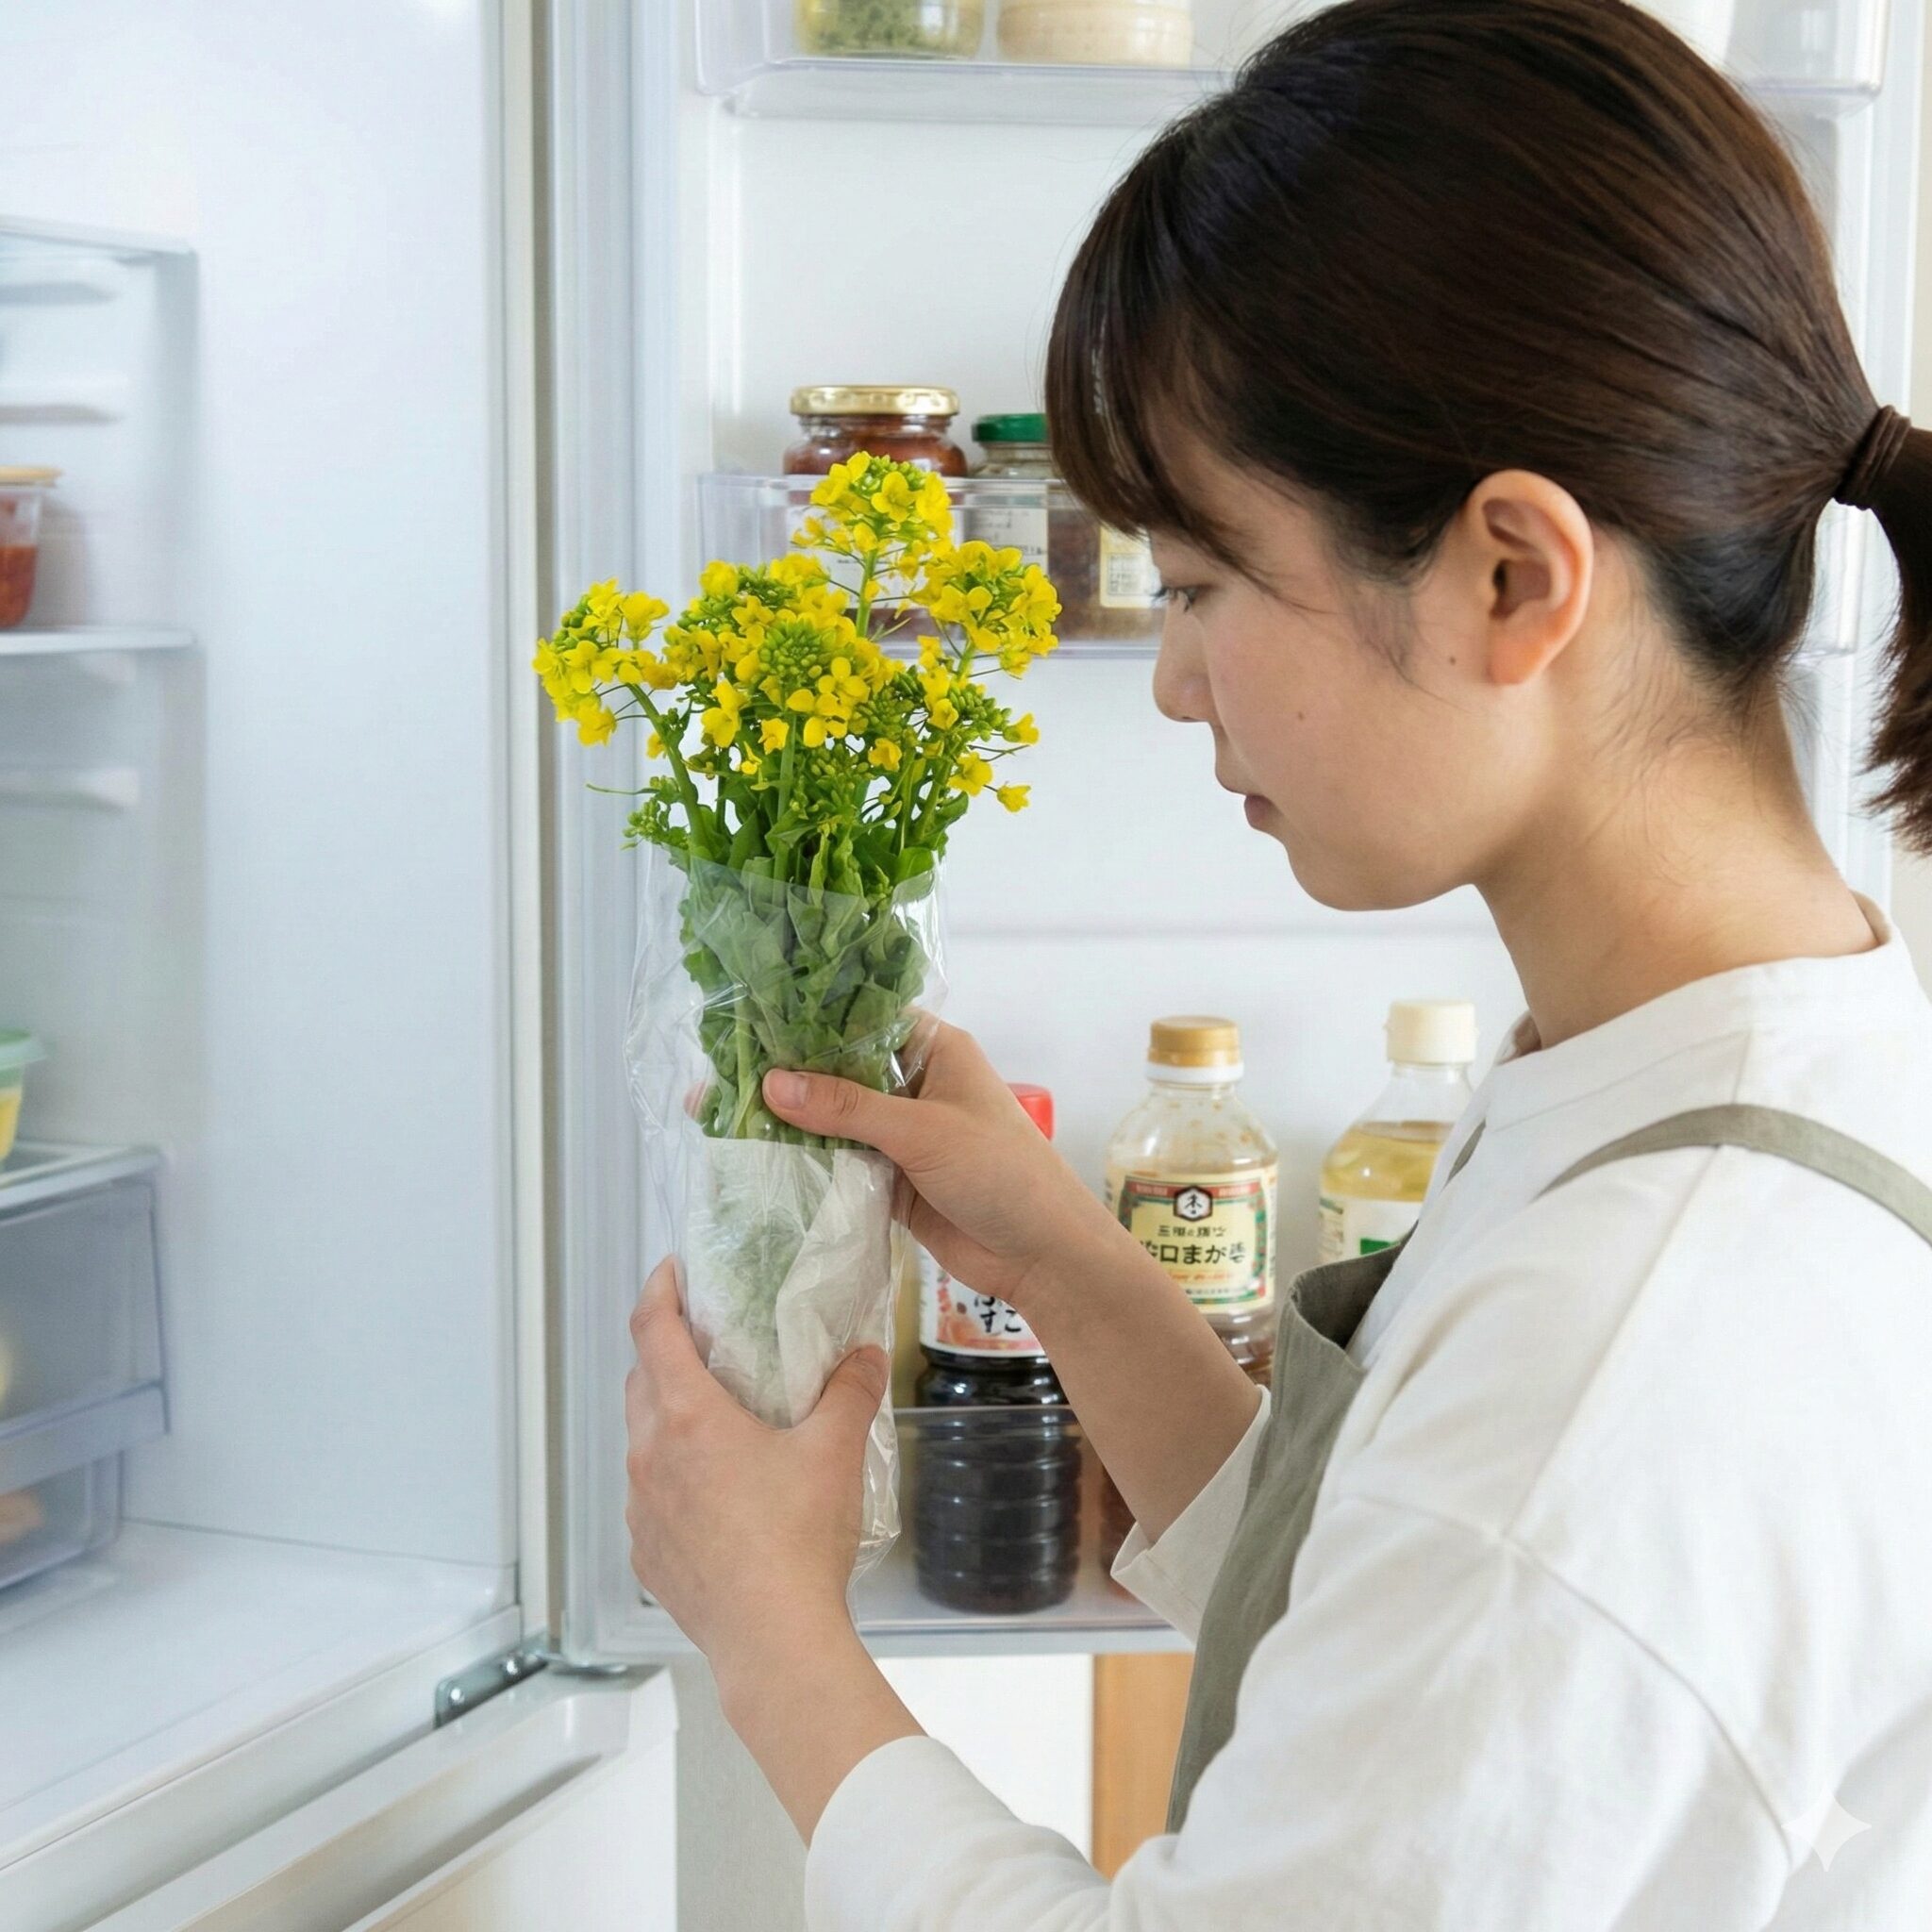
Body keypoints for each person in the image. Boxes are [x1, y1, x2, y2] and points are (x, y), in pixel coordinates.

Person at [623, 0, 1932, 1922]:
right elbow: (1403, 1608)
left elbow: (1501, 1557)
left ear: (1512, 577)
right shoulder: (1721, 1061)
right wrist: (1066, 1265)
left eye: (1203, 580)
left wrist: (769, 1632)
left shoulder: (1635, 1340)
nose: (1170, 678)